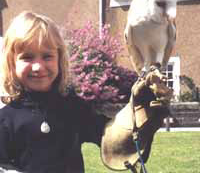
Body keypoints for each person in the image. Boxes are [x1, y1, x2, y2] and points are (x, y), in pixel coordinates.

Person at [0, 11, 171, 173]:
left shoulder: (73, 107)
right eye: (27, 57)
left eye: (47, 56)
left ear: (59, 60)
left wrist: (138, 114)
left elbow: (111, 137)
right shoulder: (5, 120)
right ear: (11, 62)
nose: (38, 66)